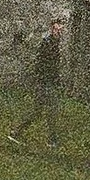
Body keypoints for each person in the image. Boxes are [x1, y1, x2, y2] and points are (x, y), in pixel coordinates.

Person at [8, 17, 66, 147]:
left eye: (61, 29)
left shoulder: (54, 43)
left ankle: (16, 132)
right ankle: (52, 140)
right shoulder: (47, 43)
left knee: (38, 110)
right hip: (45, 82)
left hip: (47, 81)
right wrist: (46, 79)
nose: (59, 31)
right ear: (52, 29)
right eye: (57, 29)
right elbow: (42, 64)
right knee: (52, 110)